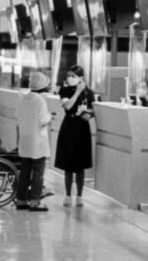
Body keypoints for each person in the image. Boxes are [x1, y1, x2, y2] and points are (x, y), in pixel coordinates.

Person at [55, 65, 94, 207]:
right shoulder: (65, 90)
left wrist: (87, 114)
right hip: (69, 127)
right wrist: (77, 92)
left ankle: (79, 196)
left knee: (80, 165)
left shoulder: (89, 92)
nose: (70, 78)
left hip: (82, 128)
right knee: (68, 165)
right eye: (69, 75)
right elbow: (67, 107)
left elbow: (93, 110)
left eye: (73, 76)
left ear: (81, 78)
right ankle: (67, 195)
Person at [14, 71, 52, 212]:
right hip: (37, 141)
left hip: (25, 139)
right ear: (44, 88)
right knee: (38, 172)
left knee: (24, 171)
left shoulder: (23, 98)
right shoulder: (40, 100)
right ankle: (35, 202)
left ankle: (21, 200)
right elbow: (42, 121)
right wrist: (50, 117)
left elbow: (17, 115)